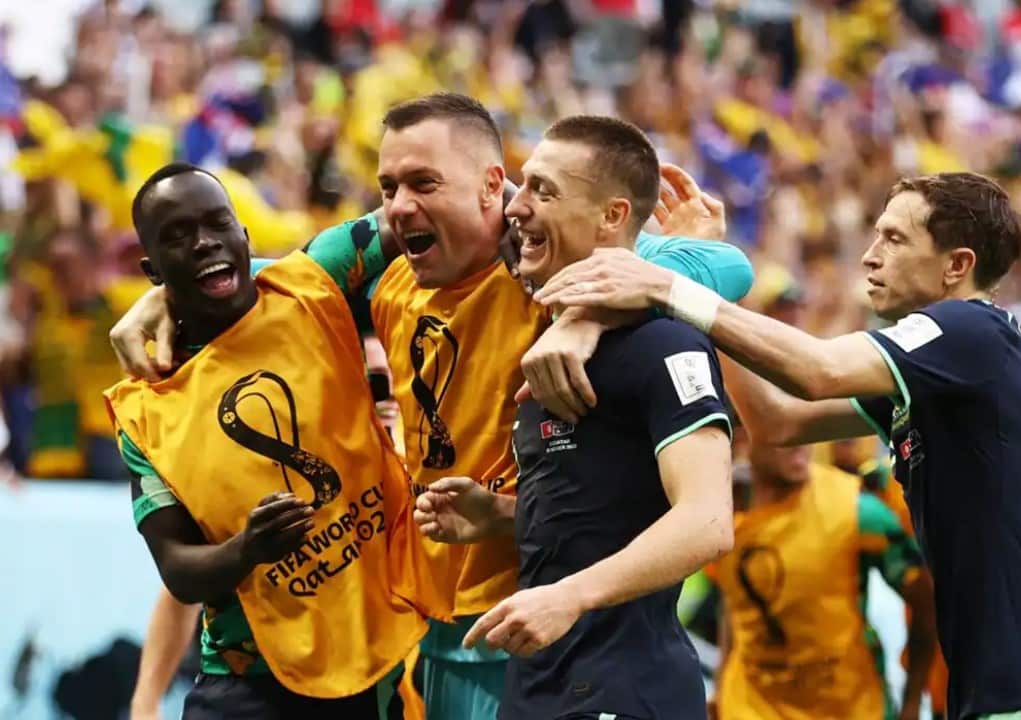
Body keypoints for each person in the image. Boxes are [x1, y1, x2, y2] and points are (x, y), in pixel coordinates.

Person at [110, 92, 754, 720]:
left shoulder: (550, 271)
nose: (398, 207)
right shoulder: (386, 285)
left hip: (541, 618)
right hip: (429, 627)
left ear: (492, 187)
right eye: (388, 188)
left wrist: (582, 315)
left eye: (424, 183)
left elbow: (723, 268)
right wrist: (169, 296)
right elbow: (262, 289)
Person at [536, 172, 1021, 719]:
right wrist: (704, 282)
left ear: (957, 266)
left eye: (895, 239)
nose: (871, 255)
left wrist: (669, 285)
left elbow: (817, 369)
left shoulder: (970, 330)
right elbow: (780, 421)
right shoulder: (952, 372)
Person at [412, 114, 734, 720]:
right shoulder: (552, 351)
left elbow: (708, 521)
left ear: (612, 216)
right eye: (524, 185)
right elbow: (605, 512)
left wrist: (569, 597)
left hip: (625, 691)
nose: (516, 207)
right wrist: (500, 515)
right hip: (539, 689)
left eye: (544, 191)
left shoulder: (666, 343)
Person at [105, 163, 425, 719]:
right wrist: (246, 550)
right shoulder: (146, 409)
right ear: (151, 269)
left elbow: (424, 207)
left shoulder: (315, 279)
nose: (204, 242)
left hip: (382, 658)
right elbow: (176, 569)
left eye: (217, 223)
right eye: (177, 236)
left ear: (244, 234)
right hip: (248, 682)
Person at [707, 438, 936, 720]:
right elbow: (733, 602)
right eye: (780, 429)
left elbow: (927, 603)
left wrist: (912, 704)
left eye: (805, 427)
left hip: (848, 707)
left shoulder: (856, 510)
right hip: (749, 707)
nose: (798, 441)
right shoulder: (721, 513)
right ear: (743, 437)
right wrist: (720, 689)